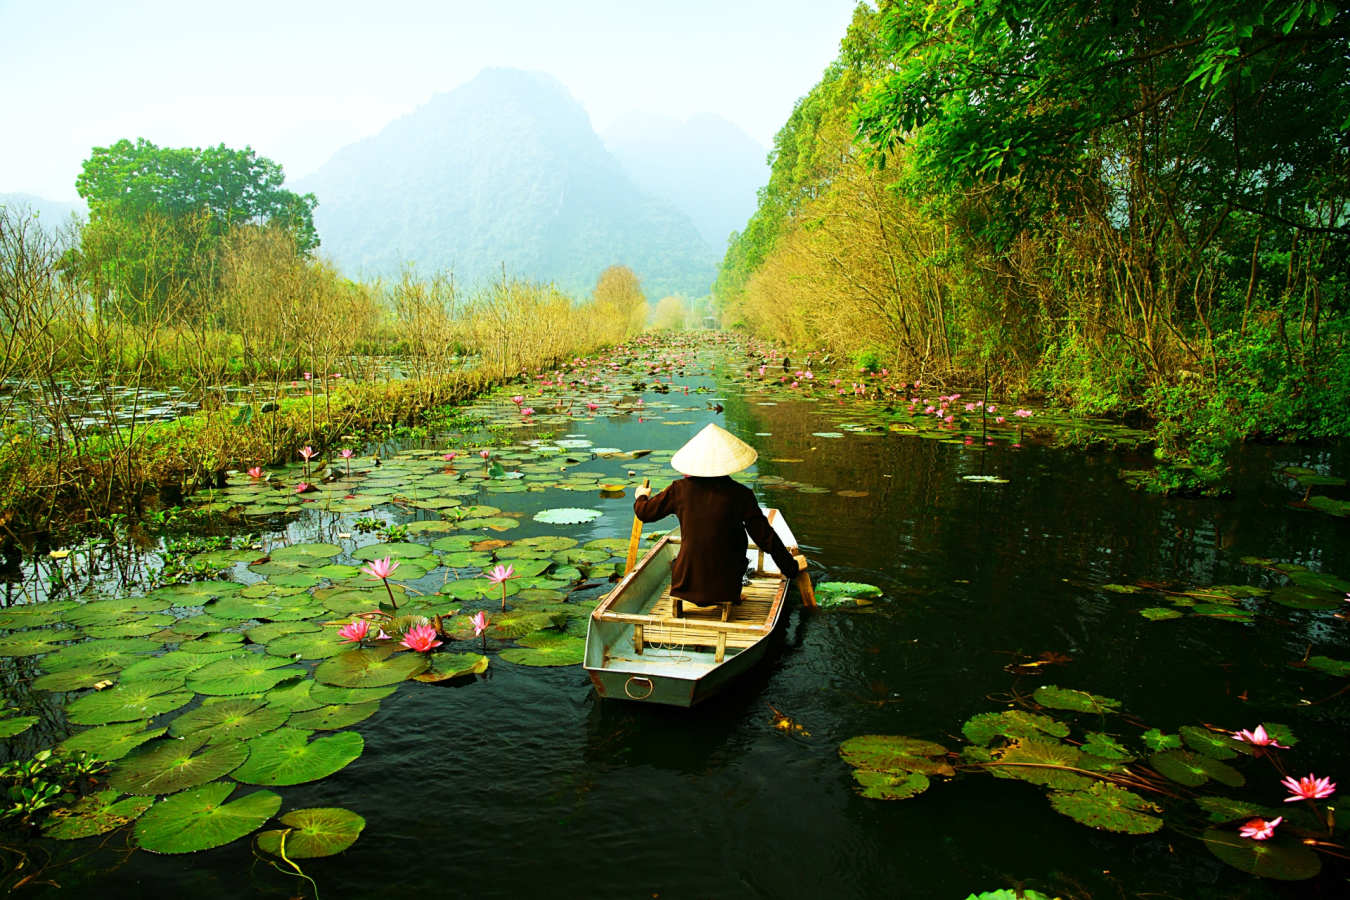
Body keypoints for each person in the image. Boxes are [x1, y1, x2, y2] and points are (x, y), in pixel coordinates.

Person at [634, 423, 807, 615]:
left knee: (687, 553)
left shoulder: (679, 490)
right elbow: (766, 538)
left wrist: (641, 496)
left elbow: (644, 513)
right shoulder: (741, 494)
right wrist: (790, 568)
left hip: (685, 582)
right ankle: (732, 594)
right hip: (726, 586)